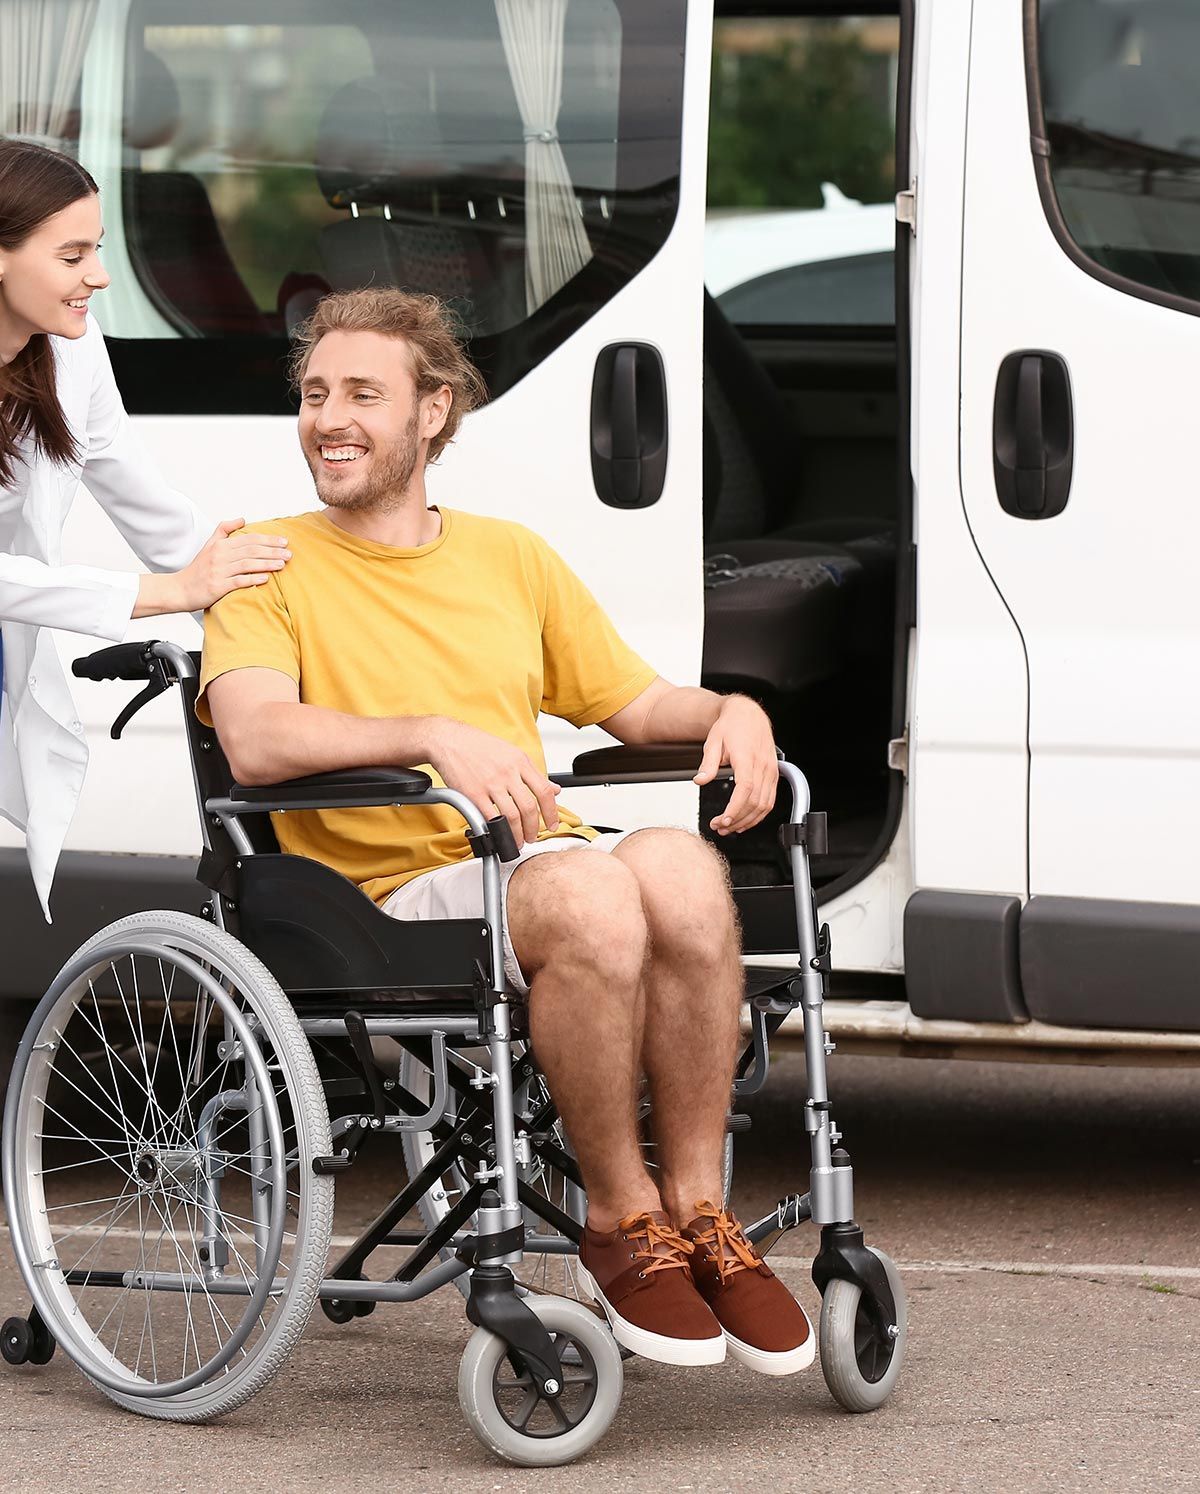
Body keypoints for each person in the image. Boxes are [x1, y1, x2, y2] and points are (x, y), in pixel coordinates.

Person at [198, 288, 815, 1376]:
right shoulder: (266, 561)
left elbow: (631, 702)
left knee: (678, 864)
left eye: (361, 395)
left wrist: (731, 711)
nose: (327, 418)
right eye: (313, 394)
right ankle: (620, 1220)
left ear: (434, 412)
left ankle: (700, 1215)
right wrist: (432, 732)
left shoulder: (510, 557)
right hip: (378, 899)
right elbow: (254, 738)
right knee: (589, 891)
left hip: (524, 859)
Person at [0, 139, 291, 914]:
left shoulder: (70, 350)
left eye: (97, 250)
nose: (98, 276)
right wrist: (168, 593)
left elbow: (142, 500)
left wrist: (266, 586)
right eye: (72, 256)